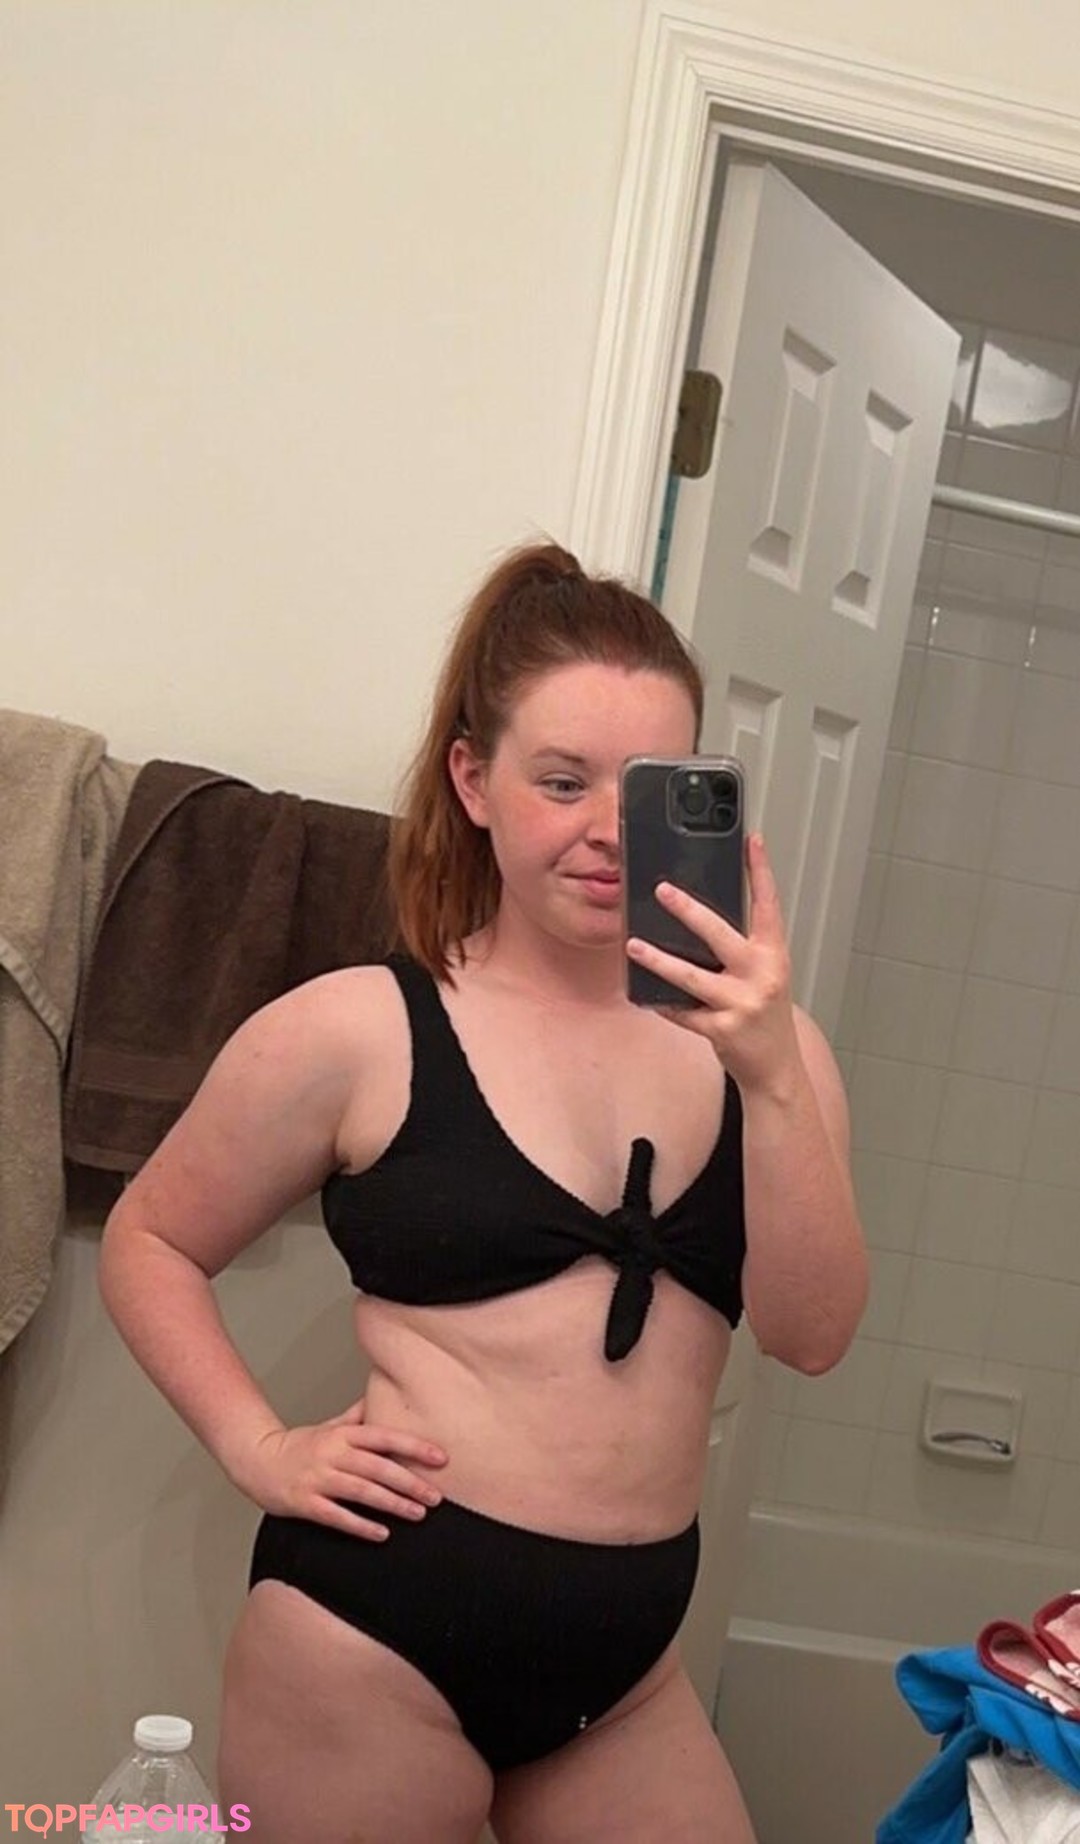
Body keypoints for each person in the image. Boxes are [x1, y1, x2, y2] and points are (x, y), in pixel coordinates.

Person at [99, 539, 868, 1844]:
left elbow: (812, 1335)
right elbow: (152, 1237)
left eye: (645, 785)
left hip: (626, 1681)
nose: (604, 829)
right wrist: (258, 1446)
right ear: (473, 781)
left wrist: (773, 1077)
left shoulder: (775, 1053)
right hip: (370, 1645)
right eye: (561, 781)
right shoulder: (359, 1030)